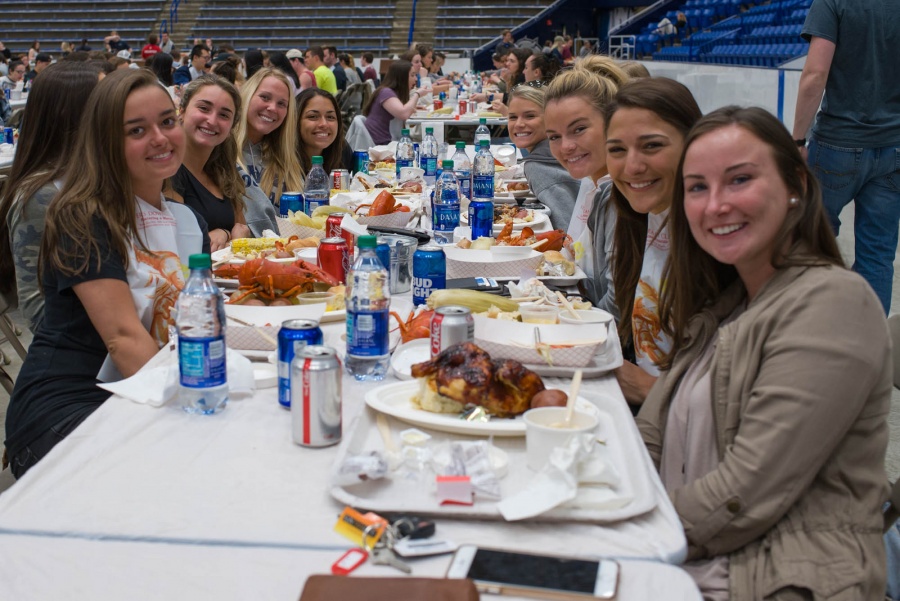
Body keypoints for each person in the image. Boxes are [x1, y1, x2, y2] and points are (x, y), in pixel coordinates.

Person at [638, 105, 890, 600]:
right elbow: (651, 436)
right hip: (691, 559)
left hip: (774, 579)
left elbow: (743, 494)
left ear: (796, 184)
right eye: (697, 188)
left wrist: (622, 540)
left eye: (740, 180)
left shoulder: (834, 302)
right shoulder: (725, 306)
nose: (715, 206)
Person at [5, 69, 208, 478]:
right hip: (67, 408)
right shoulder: (82, 214)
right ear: (105, 143)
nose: (160, 138)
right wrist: (194, 416)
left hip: (131, 394)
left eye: (167, 121)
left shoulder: (178, 217)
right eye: (136, 130)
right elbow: (123, 338)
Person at [791, 0, 900, 314]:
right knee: (878, 256)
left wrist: (798, 139)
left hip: (836, 144)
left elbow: (814, 75)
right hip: (893, 147)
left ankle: (814, 331)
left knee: (811, 245)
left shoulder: (832, 1)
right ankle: (870, 347)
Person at [603, 78, 702, 406]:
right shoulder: (640, 220)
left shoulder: (718, 240)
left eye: (652, 146)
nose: (632, 166)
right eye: (617, 150)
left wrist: (648, 390)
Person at [0, 61, 103, 334]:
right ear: (73, 114)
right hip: (83, 349)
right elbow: (39, 315)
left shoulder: (102, 174)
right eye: (104, 102)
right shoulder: (39, 198)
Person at [542, 57, 628, 314]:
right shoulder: (590, 180)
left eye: (578, 129)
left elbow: (616, 307)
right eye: (554, 137)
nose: (565, 146)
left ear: (613, 123)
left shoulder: (621, 196)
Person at [169, 75, 252, 251]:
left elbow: (243, 232)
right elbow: (181, 245)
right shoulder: (169, 171)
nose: (212, 121)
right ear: (182, 111)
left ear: (231, 127)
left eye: (223, 115)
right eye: (204, 108)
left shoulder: (223, 170)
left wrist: (225, 234)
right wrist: (229, 235)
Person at [234, 67, 301, 228]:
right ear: (247, 96)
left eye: (281, 104)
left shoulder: (286, 161)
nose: (272, 108)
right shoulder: (219, 149)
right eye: (265, 97)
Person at [508, 83, 579, 230]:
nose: (519, 124)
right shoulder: (555, 154)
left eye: (530, 116)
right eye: (513, 117)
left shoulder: (537, 167)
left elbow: (568, 229)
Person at [362, 60, 426, 145]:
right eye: (412, 75)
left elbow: (400, 109)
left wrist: (413, 107)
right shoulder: (386, 92)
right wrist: (417, 94)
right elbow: (403, 114)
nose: (416, 78)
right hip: (381, 145)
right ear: (401, 77)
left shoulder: (391, 92)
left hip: (386, 142)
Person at [296, 87, 354, 177]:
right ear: (295, 120)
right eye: (313, 116)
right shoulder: (279, 162)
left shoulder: (342, 151)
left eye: (330, 117)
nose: (324, 124)